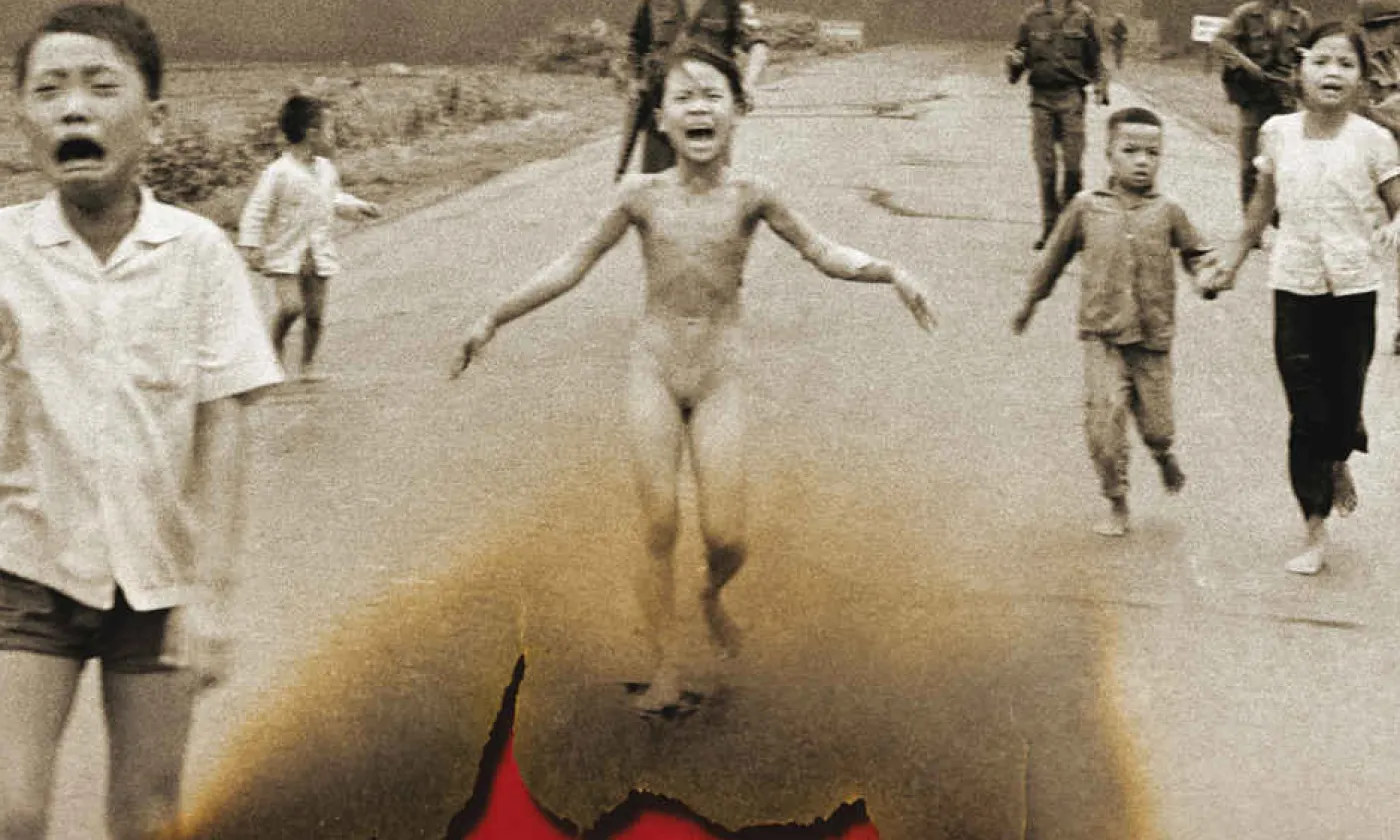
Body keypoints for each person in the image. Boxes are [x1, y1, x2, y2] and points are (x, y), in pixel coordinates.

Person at [454, 45, 935, 715]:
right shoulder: (639, 196)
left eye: (713, 95)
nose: (699, 106)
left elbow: (823, 251)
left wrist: (890, 272)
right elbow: (571, 264)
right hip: (653, 370)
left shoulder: (753, 195)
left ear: (737, 112)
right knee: (659, 522)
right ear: (661, 119)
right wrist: (493, 317)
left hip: (718, 377)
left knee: (726, 537)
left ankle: (711, 595)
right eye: (683, 97)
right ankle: (665, 667)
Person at [0, 4, 284, 839]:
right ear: (22, 121)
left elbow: (223, 425)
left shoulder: (199, 255)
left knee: (148, 815)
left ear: (154, 120)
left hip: (158, 579)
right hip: (25, 569)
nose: (73, 109)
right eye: (48, 91)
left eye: (100, 87)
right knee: (10, 808)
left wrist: (213, 598)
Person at [1214, 22, 1400, 574]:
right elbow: (1261, 204)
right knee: (1306, 412)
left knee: (1341, 409)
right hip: (1293, 285)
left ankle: (1338, 455)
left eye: (1345, 64)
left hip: (1354, 290)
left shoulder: (1374, 140)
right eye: (1321, 61)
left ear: (1362, 80)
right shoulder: (1278, 133)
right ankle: (1314, 528)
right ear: (1300, 71)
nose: (1332, 73)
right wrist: (1233, 257)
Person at [1011, 107, 1218, 537]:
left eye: (1152, 153)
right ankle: (1117, 499)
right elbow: (1052, 257)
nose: (1142, 161)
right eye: (1130, 151)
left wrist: (1206, 276)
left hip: (1152, 338)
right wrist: (1030, 302)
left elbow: (1197, 253)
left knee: (1158, 426)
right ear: (1108, 153)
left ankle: (1162, 454)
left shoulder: (1169, 211)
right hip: (1102, 334)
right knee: (1103, 424)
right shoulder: (1086, 207)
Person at [238, 95, 381, 383]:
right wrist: (251, 245)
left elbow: (333, 199)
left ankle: (308, 365)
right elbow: (256, 210)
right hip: (286, 253)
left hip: (317, 252)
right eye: (330, 130)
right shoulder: (278, 172)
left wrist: (359, 206)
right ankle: (272, 352)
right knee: (291, 307)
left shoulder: (326, 170)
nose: (334, 136)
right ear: (311, 134)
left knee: (315, 315)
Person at [1007, 0, 1111, 251]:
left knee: (1073, 167)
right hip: (1041, 99)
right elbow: (1017, 66)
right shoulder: (1031, 17)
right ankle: (1050, 229)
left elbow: (1095, 60)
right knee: (1046, 168)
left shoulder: (1084, 17)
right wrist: (1013, 62)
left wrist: (1101, 85)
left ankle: (1071, 229)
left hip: (1071, 97)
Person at [623, 0, 770, 175]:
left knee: (709, 174)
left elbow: (758, 45)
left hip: (710, 103)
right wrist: (635, 80)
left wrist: (748, 84)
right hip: (665, 102)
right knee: (657, 178)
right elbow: (637, 44)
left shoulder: (732, 3)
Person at [1212, 0, 1313, 214]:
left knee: (1284, 161)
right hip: (1253, 96)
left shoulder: (1301, 18)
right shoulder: (1246, 13)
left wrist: (1299, 75)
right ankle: (1251, 220)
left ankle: (1279, 215)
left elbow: (1310, 54)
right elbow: (1220, 42)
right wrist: (1246, 64)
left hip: (1284, 97)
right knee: (1250, 164)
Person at [1357, 0, 1400, 354]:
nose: (1394, 31)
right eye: (1389, 25)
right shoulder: (1357, 63)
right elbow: (1360, 111)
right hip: (1366, 165)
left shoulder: (1393, 59)